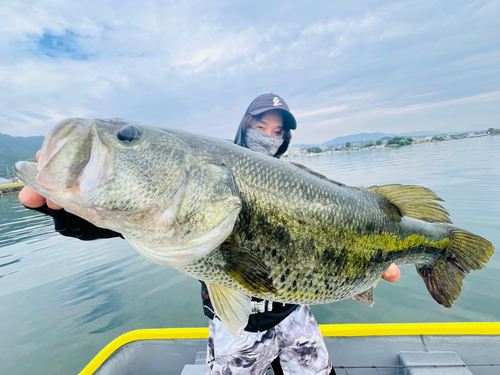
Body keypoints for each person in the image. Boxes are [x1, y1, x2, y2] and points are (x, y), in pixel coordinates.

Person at [19, 94, 401, 375]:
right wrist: (72, 214)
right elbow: (132, 217)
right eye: (260, 125)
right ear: (243, 125)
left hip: (294, 313)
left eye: (277, 130)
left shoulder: (298, 181)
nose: (269, 135)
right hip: (234, 323)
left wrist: (366, 265)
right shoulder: (208, 170)